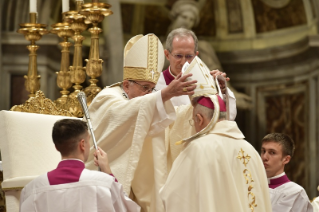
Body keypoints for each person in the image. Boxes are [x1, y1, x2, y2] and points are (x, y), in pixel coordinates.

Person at [86, 33, 197, 212]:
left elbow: (169, 120)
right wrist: (164, 94)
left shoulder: (145, 104)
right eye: (144, 87)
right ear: (127, 84)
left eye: (152, 89)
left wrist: (202, 101)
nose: (149, 93)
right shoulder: (107, 97)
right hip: (97, 185)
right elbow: (122, 114)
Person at [160, 95, 272, 212]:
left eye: (193, 121)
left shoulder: (197, 148)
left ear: (200, 118)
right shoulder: (250, 150)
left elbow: (172, 195)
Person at [19, 119, 140, 212]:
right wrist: (108, 172)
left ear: (56, 147)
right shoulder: (104, 184)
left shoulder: (31, 190)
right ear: (82, 144)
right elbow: (127, 209)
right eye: (88, 141)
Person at [156, 28, 238, 120]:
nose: (183, 62)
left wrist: (221, 91)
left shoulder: (206, 81)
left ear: (196, 56)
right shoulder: (153, 84)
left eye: (189, 56)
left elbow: (226, 117)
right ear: (167, 55)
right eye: (178, 56)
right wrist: (166, 94)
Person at [261, 133, 313, 212]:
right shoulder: (251, 186)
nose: (264, 157)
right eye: (263, 151)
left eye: (272, 153)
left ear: (286, 159)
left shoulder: (295, 193)